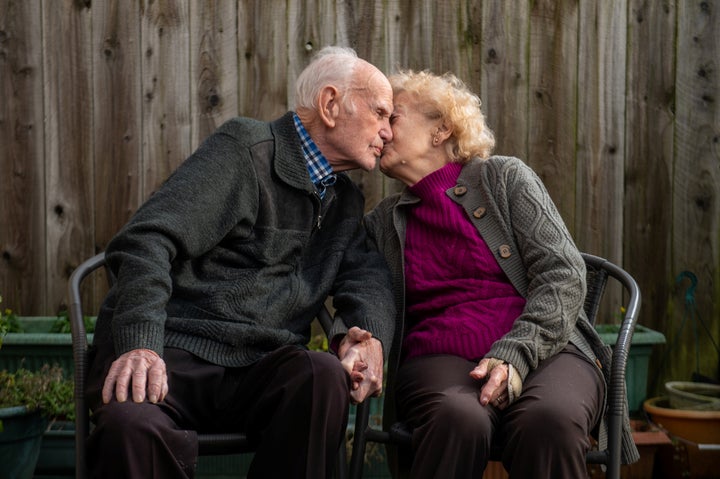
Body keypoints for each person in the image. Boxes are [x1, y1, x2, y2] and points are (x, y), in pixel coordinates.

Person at [85, 46, 396, 479]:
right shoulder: (246, 152)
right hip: (176, 355)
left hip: (258, 371)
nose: (389, 132)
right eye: (381, 114)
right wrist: (140, 342)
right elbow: (147, 238)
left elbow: (368, 278)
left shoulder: (343, 200)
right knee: (129, 426)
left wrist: (368, 338)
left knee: (321, 373)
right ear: (330, 104)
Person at [363, 70, 640, 478]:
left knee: (550, 422)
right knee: (459, 418)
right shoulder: (382, 224)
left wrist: (518, 351)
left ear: (440, 129)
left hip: (549, 350)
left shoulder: (504, 179)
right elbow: (366, 298)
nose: (381, 130)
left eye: (394, 117)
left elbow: (563, 272)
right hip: (440, 361)